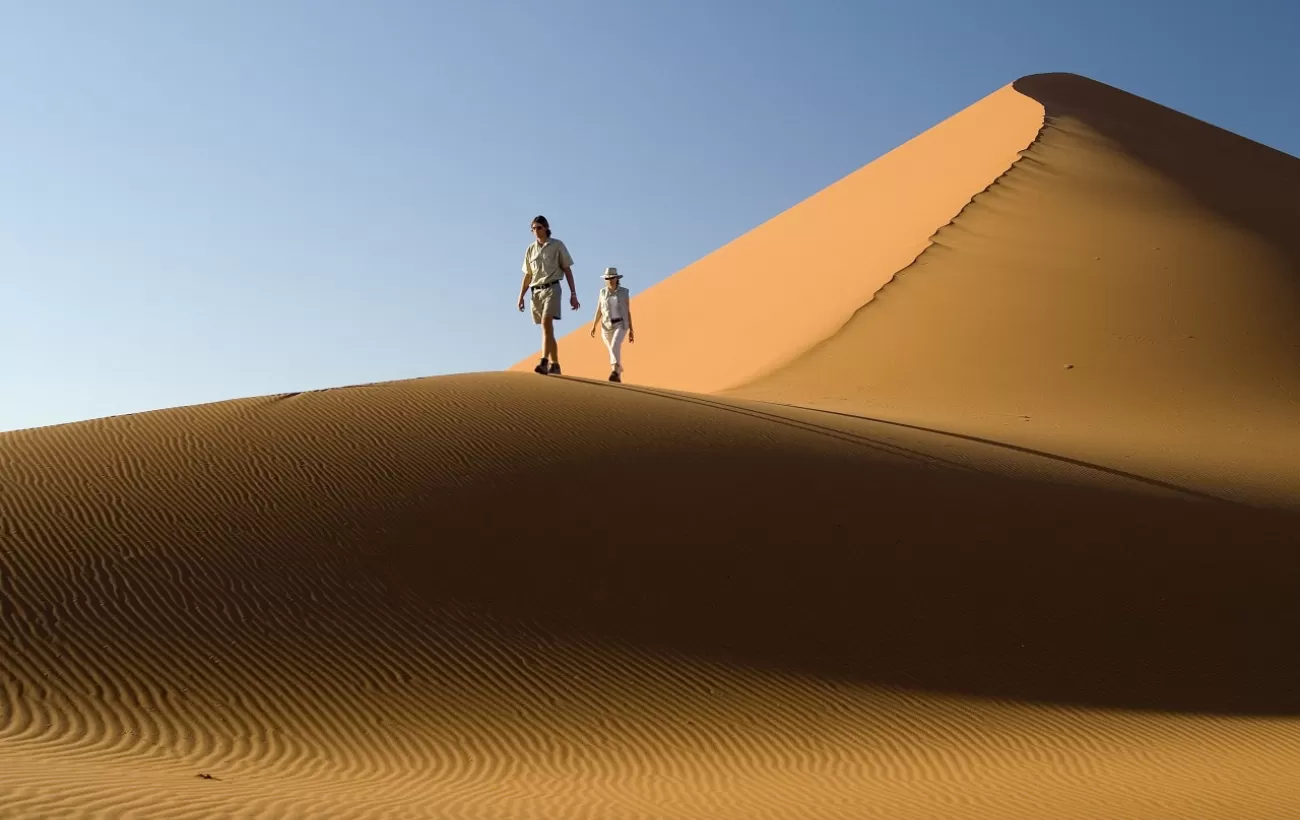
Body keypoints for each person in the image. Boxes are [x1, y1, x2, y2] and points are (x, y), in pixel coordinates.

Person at [517, 215, 579, 375]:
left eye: (538, 228)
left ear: (546, 228)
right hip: (535, 292)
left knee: (546, 323)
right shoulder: (530, 249)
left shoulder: (557, 245)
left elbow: (567, 269)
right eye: (533, 229)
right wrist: (521, 296)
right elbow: (528, 275)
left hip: (552, 288)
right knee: (548, 329)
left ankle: (544, 361)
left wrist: (573, 294)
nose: (536, 231)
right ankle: (556, 364)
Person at [589, 267, 634, 382]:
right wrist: (594, 325)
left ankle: (614, 371)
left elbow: (628, 310)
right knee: (612, 349)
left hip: (621, 324)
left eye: (612, 278)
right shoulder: (602, 292)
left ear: (616, 278)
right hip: (606, 326)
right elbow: (599, 310)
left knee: (614, 345)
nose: (609, 280)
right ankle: (618, 373)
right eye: (607, 278)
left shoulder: (624, 292)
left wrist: (631, 330)